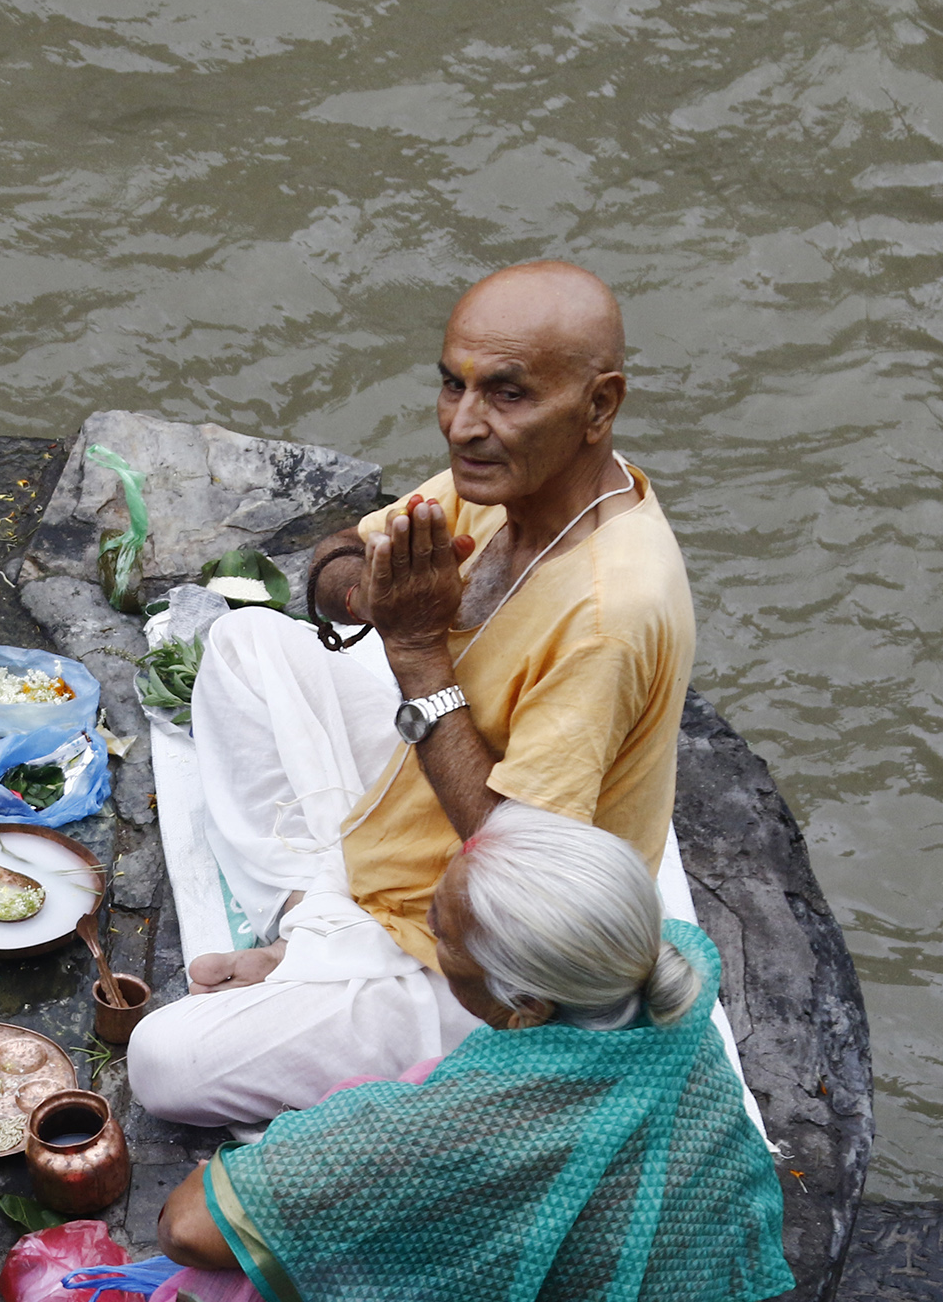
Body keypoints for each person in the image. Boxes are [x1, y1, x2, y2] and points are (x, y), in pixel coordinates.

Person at [125, 804, 793, 1302]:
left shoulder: (461, 1129)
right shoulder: (668, 995)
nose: (426, 940)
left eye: (441, 937)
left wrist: (307, 1158)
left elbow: (188, 1227)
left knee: (260, 1269)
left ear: (525, 1008)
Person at [126, 260, 697, 1129]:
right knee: (244, 646)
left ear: (599, 406)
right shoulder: (513, 484)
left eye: (507, 394)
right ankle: (314, 925)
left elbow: (522, 878)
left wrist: (420, 652)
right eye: (453, 384)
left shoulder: (608, 614)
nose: (464, 425)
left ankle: (331, 955)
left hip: (491, 956)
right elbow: (336, 555)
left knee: (165, 1061)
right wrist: (370, 593)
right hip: (427, 795)